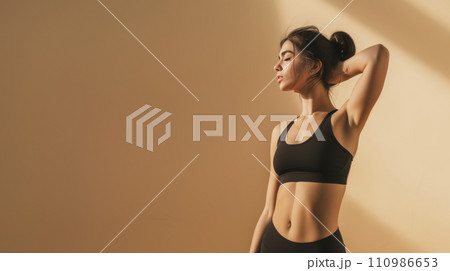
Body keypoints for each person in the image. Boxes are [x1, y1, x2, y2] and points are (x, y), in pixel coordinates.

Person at [249, 25, 389, 253]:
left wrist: (335, 71)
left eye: (287, 58)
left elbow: (378, 55)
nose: (277, 66)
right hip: (272, 248)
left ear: (315, 65)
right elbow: (268, 210)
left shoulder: (344, 121)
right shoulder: (280, 131)